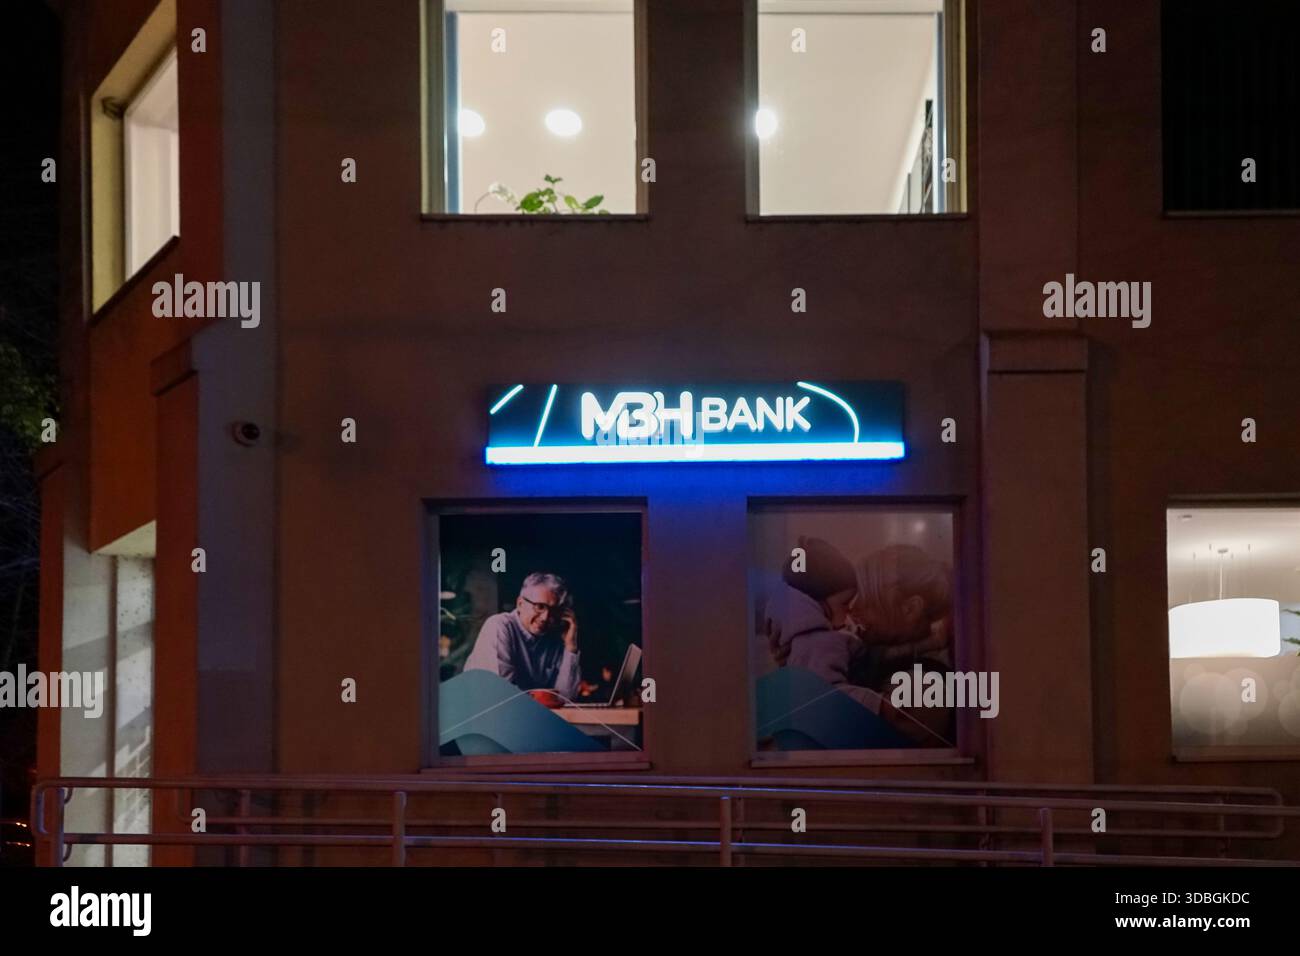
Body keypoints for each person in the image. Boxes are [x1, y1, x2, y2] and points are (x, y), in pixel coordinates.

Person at [763, 536, 882, 710]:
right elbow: (825, 696)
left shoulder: (801, 638)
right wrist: (880, 706)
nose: (849, 612)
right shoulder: (818, 641)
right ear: (816, 602)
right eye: (844, 604)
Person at [465, 572, 581, 699]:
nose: (545, 617)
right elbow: (501, 697)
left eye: (554, 610)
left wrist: (570, 647)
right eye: (540, 607)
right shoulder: (499, 626)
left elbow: (566, 698)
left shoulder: (555, 638)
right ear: (520, 604)